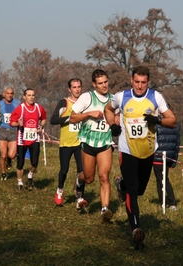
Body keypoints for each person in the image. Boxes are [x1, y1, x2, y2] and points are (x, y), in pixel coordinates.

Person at [104, 65, 176, 249]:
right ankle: (136, 229)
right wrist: (112, 125)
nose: (139, 86)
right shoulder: (122, 96)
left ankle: (122, 186)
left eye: (143, 83)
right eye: (136, 82)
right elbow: (108, 110)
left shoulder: (156, 97)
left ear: (148, 82)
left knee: (140, 190)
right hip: (127, 150)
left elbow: (172, 120)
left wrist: (158, 120)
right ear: (131, 80)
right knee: (133, 190)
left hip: (148, 151)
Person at [69, 69, 114, 221]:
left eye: (106, 82)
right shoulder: (87, 97)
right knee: (89, 178)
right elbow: (72, 118)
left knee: (104, 176)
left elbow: (117, 119)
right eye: (100, 83)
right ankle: (78, 180)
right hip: (88, 142)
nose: (104, 85)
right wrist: (89, 114)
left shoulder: (113, 100)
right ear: (94, 84)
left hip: (105, 142)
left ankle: (105, 209)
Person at [50, 78, 85, 207]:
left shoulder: (85, 102)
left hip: (80, 143)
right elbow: (53, 120)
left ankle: (80, 198)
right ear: (69, 89)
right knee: (64, 170)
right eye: (74, 87)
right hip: (66, 143)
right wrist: (69, 119)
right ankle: (60, 190)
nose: (77, 89)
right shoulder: (64, 103)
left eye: (79, 87)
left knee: (82, 172)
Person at [10, 88, 46, 190]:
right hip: (22, 139)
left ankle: (30, 175)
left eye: (33, 95)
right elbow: (12, 122)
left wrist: (41, 126)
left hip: (35, 138)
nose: (31, 97)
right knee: (20, 162)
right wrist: (18, 123)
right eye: (29, 95)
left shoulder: (39, 108)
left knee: (34, 162)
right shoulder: (20, 108)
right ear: (24, 97)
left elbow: (43, 119)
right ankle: (20, 182)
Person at [0, 87, 20, 180]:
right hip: (3, 130)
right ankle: (3, 173)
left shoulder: (17, 103)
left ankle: (9, 160)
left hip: (13, 131)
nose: (9, 95)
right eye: (7, 93)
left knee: (11, 155)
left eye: (11, 93)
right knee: (3, 155)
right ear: (4, 94)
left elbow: (22, 115)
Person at [153, 116, 179, 210]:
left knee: (163, 180)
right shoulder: (175, 125)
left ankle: (172, 202)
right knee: (161, 179)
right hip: (169, 157)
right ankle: (162, 201)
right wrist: (174, 160)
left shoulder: (156, 125)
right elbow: (177, 144)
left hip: (157, 156)